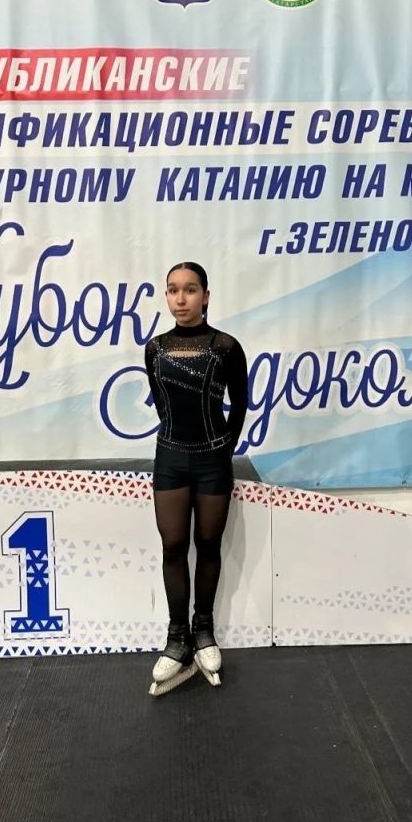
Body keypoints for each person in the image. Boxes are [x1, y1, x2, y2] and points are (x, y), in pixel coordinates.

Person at [144, 262, 248, 695]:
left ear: (206, 296)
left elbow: (240, 405)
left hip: (212, 460)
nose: (181, 298)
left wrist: (223, 449)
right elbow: (162, 405)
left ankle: (203, 631)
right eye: (173, 290)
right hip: (170, 457)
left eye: (190, 289)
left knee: (208, 545)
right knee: (172, 546)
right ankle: (177, 639)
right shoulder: (155, 348)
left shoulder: (226, 347)